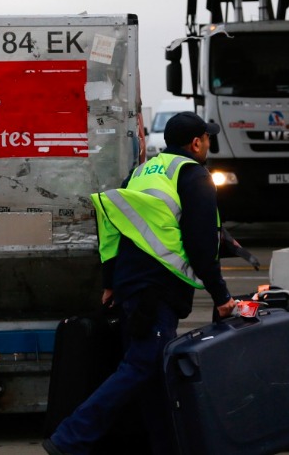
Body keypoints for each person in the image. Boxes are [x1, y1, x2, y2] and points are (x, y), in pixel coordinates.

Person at [44, 111, 237, 455]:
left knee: (151, 371)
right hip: (156, 287)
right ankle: (71, 437)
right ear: (196, 143)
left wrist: (111, 280)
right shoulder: (192, 176)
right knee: (142, 365)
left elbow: (116, 227)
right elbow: (201, 244)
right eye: (207, 138)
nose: (209, 143)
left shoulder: (141, 172)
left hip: (133, 283)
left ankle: (165, 445)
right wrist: (221, 295)